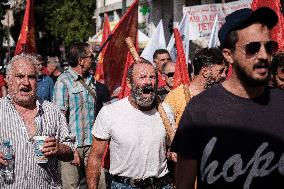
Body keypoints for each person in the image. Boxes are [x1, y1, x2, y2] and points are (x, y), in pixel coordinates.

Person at [172, 7, 283, 189]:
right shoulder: (199, 110)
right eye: (253, 48)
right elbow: (183, 184)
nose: (264, 55)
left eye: (269, 47)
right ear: (228, 55)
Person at [86, 59, 175, 189]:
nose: (148, 81)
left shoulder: (166, 111)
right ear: (129, 83)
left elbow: (168, 149)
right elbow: (95, 157)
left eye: (152, 77)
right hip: (124, 185)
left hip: (161, 184)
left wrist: (173, 153)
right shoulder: (110, 112)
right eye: (142, 77)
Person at [0, 53, 74, 188]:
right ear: (8, 79)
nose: (26, 82)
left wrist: (59, 148)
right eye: (20, 76)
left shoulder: (52, 111)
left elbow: (70, 151)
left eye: (32, 77)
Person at [53, 42, 105, 189]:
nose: (93, 59)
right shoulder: (63, 81)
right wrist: (71, 148)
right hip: (71, 145)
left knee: (99, 184)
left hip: (93, 144)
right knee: (71, 186)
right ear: (81, 60)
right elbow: (59, 118)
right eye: (91, 56)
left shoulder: (92, 80)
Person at [164, 48, 227, 125]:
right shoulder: (176, 97)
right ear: (205, 72)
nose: (224, 75)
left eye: (225, 71)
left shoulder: (219, 96)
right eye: (220, 71)